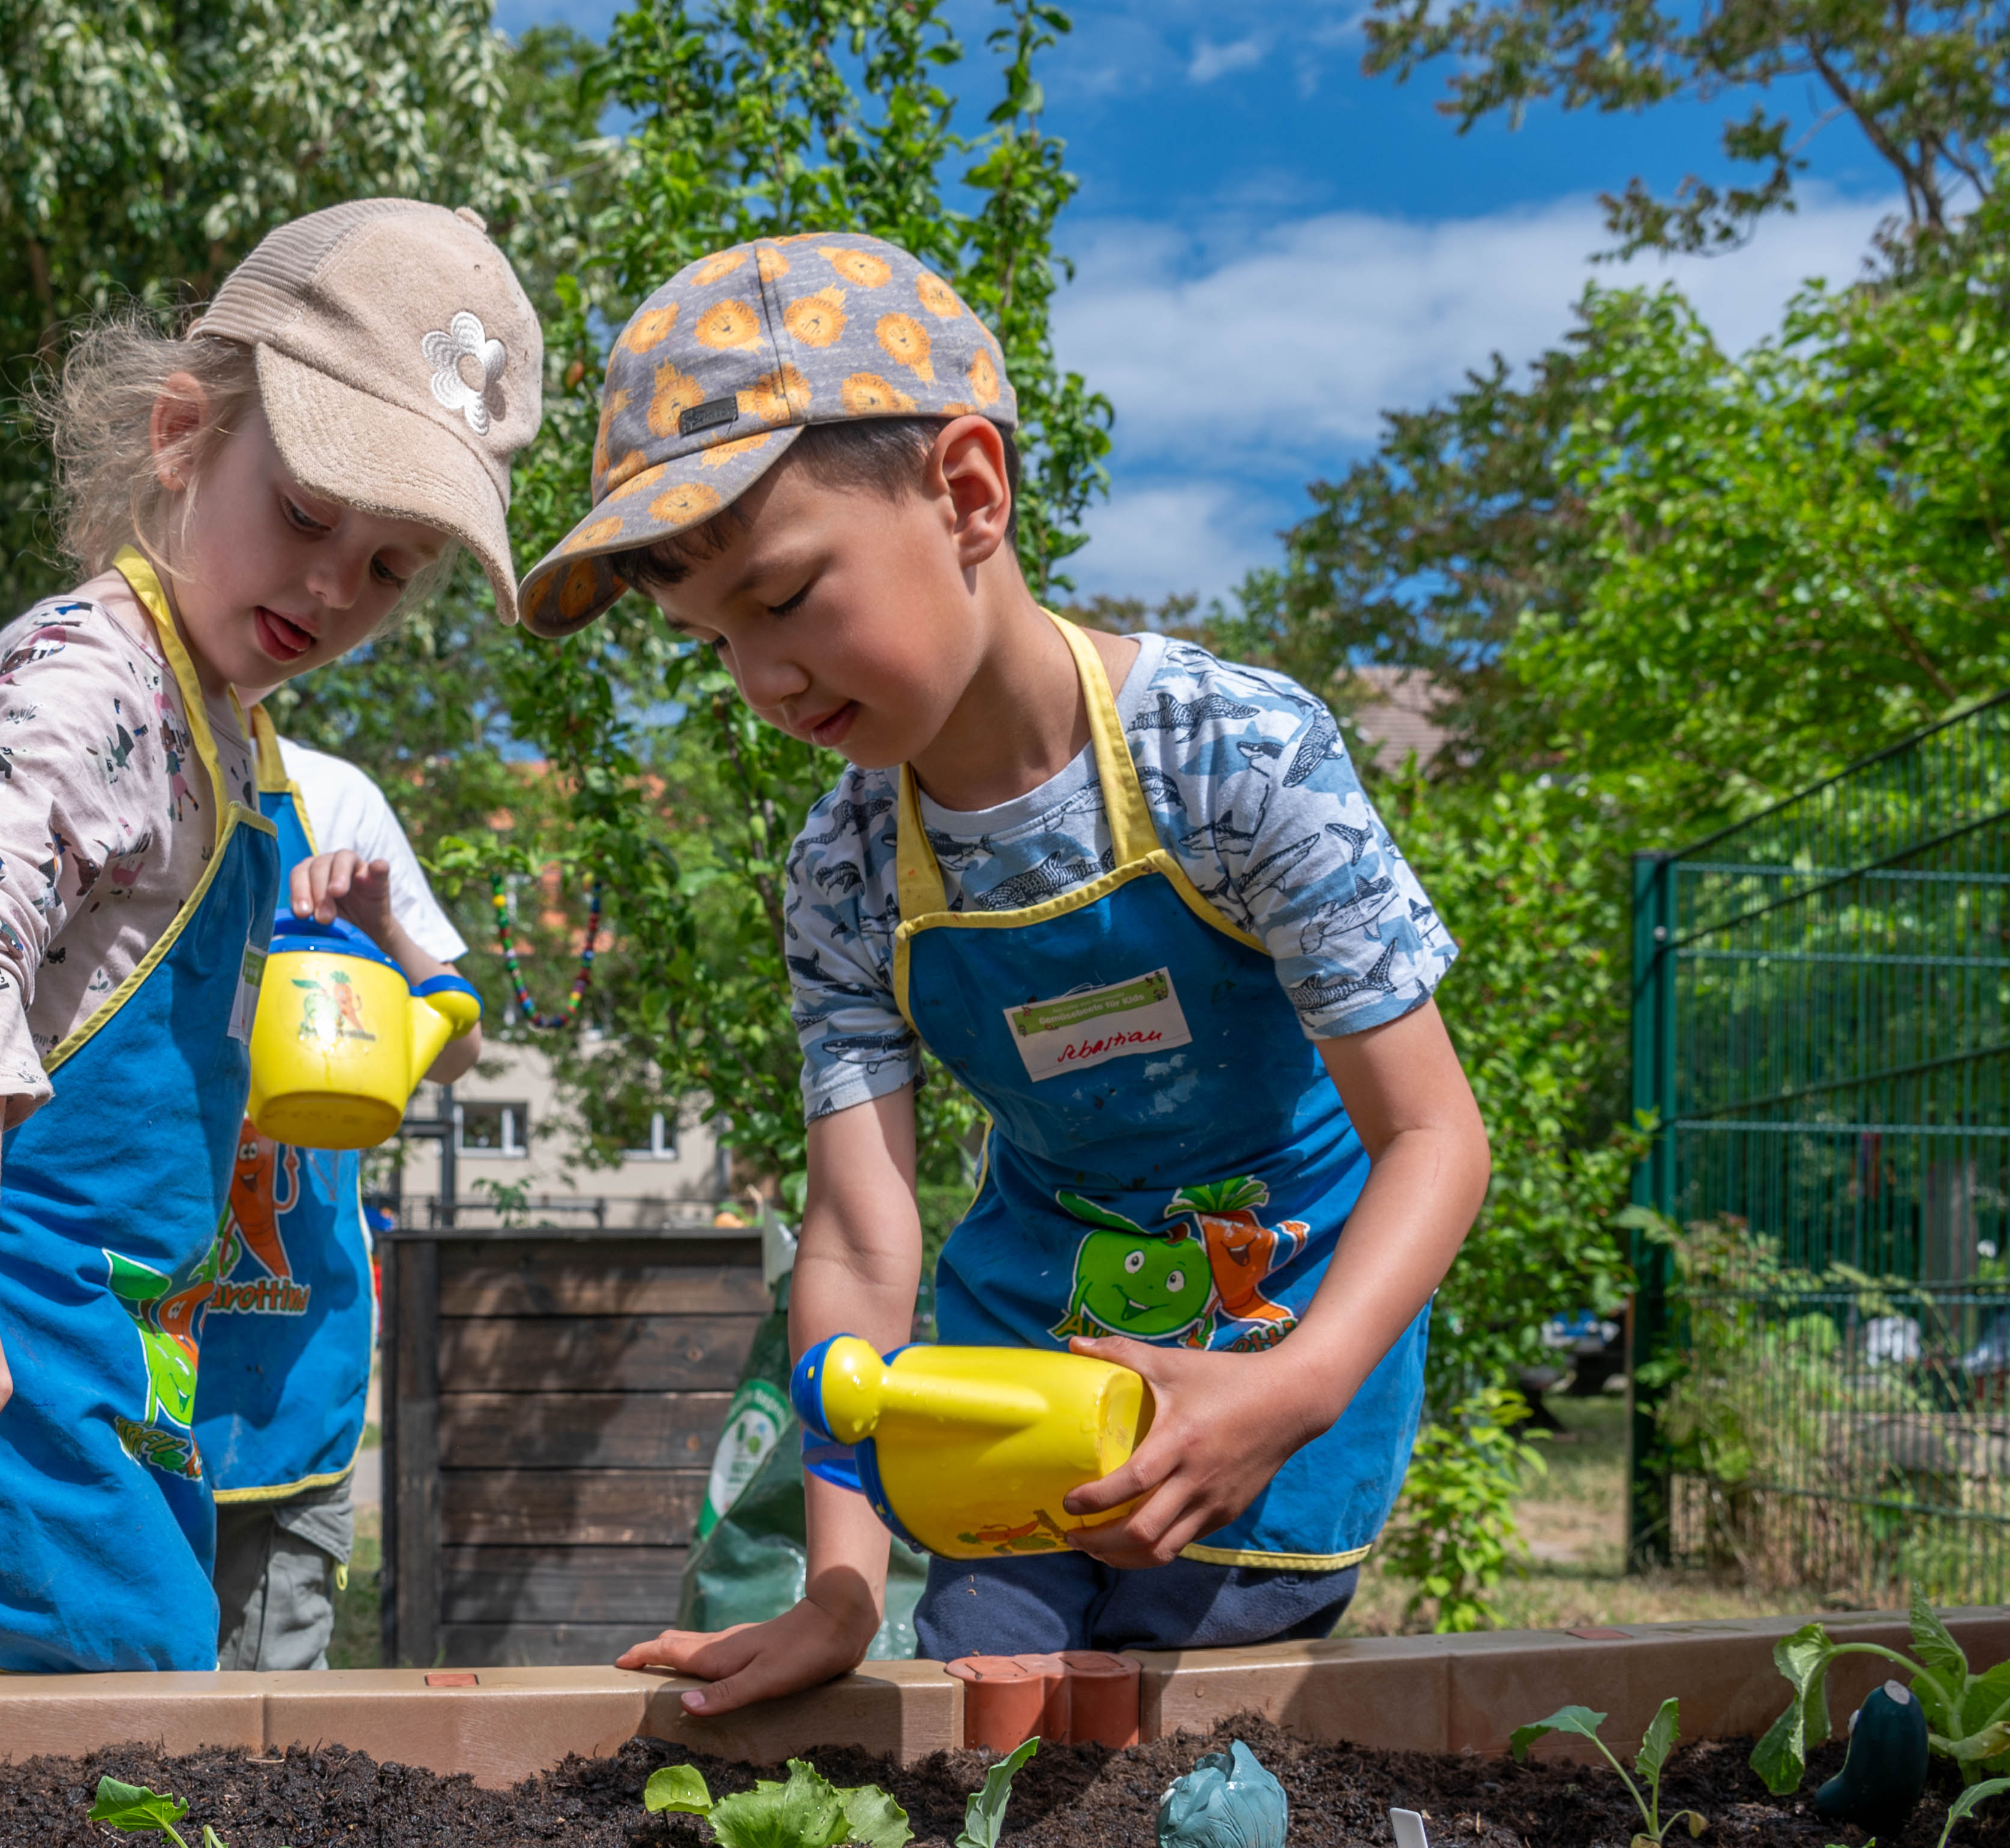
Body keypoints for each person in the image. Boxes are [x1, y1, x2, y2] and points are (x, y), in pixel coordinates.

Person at [514, 233, 1488, 1714]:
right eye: (710, 641)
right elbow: (855, 1242)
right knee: (988, 1695)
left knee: (1180, 1729)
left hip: (1270, 1344)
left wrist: (1287, 1393)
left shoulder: (1232, 759)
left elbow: (1433, 1134)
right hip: (1015, 1355)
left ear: (966, 493)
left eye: (780, 597)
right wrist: (837, 1585)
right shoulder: (843, 871)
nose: (759, 679)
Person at [0, 200, 542, 1675]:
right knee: (81, 1726)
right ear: (182, 431)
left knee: (122, 1737)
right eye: (311, 513)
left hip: (121, 1345)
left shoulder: (232, 732)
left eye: (393, 566)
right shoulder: (85, 683)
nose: (336, 586)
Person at [202, 698, 481, 1669]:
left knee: (280, 1669)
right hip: (139, 1339)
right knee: (131, 1688)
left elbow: (458, 1039)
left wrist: (377, 925)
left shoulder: (332, 795)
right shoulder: (113, 769)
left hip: (294, 1335)